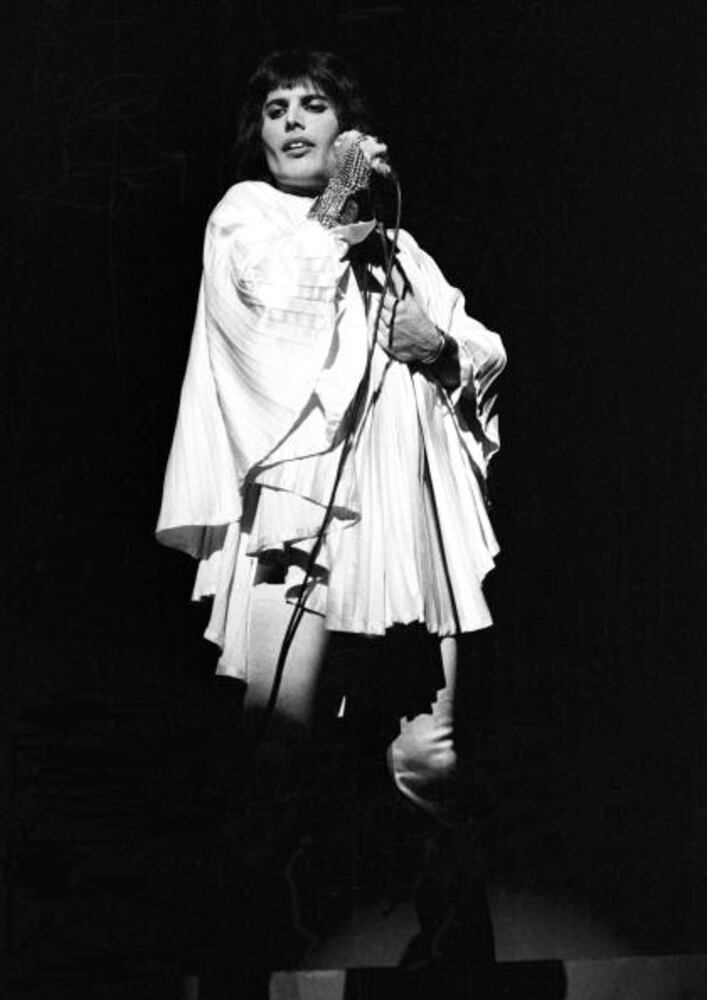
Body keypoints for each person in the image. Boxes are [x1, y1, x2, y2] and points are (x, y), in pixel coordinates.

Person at [157, 48, 505, 992]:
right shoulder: (246, 215)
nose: (292, 122)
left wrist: (440, 347)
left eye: (312, 105)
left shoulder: (398, 245)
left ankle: (460, 965)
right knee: (280, 752)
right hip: (300, 528)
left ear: (346, 124)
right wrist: (338, 204)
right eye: (275, 109)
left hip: (397, 530)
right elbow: (273, 312)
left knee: (429, 758)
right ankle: (236, 970)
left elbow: (476, 343)